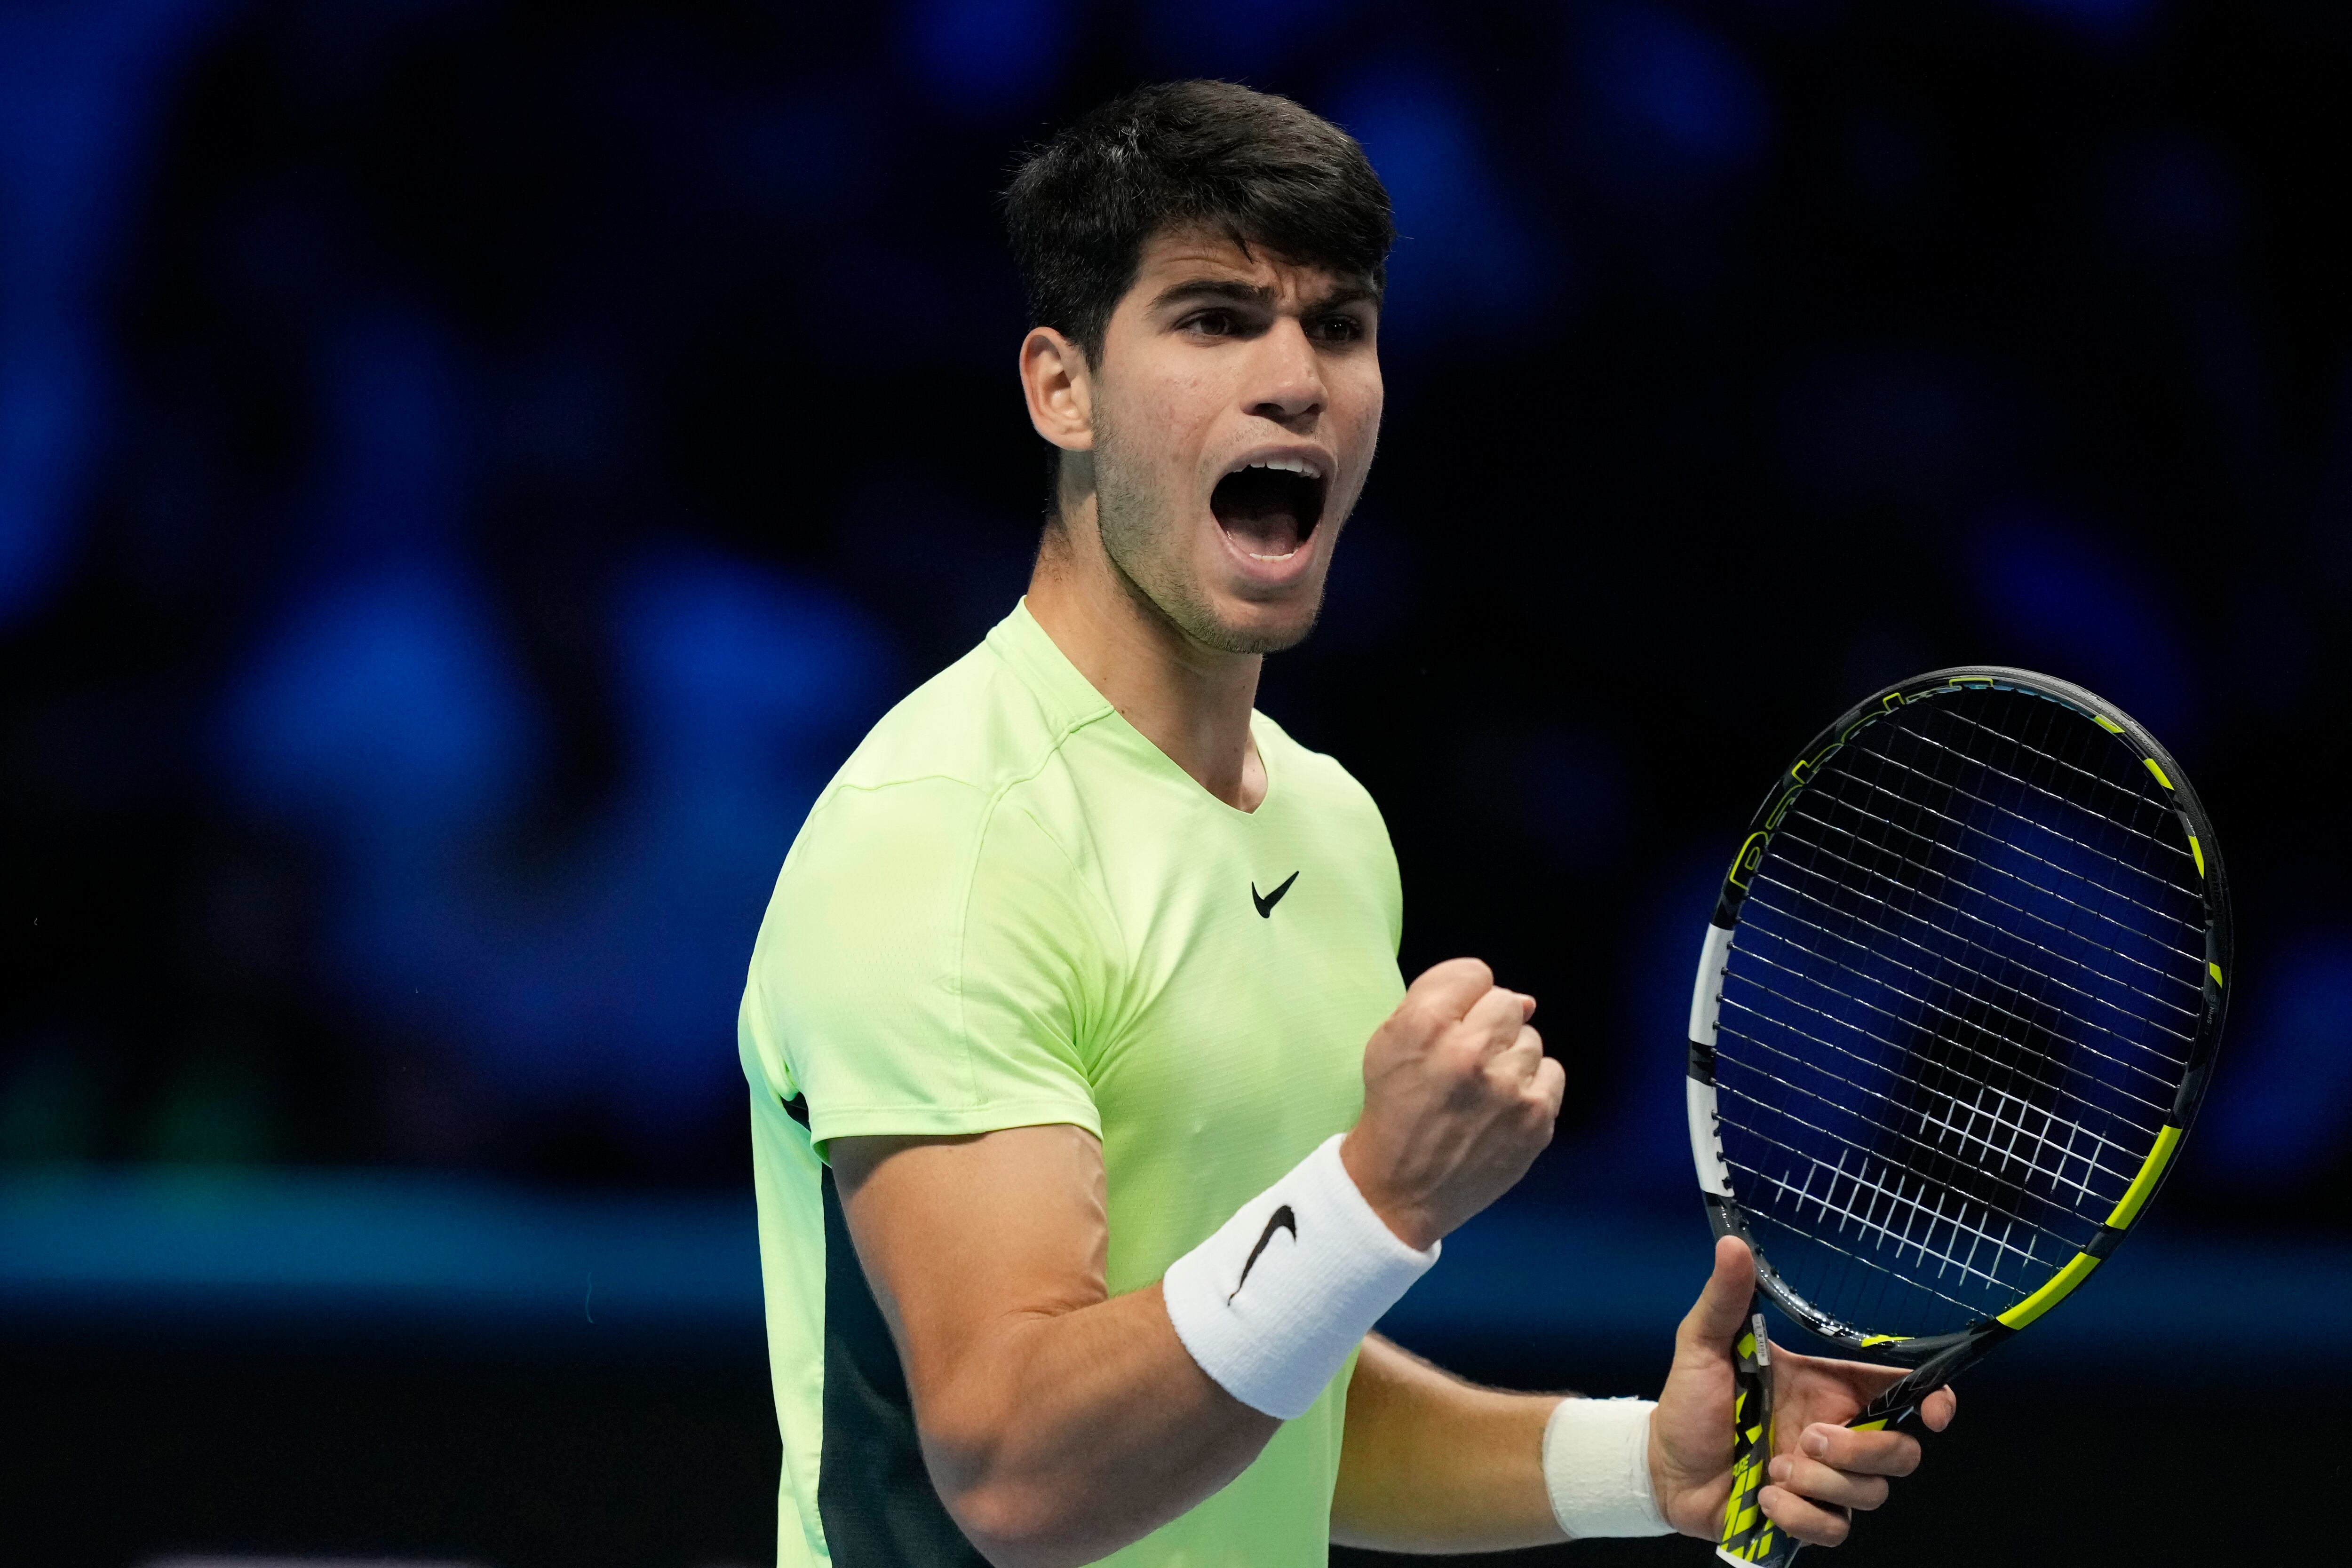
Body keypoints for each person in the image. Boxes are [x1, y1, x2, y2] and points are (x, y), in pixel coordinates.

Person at [736, 79, 1955, 1568]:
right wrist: (1376, 1196)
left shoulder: (1326, 820)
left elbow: (1262, 1396)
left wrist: (1642, 1463)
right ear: (1064, 390)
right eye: (1214, 319)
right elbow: (1020, 1473)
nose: (1296, 379)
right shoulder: (951, 840)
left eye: (1338, 325)